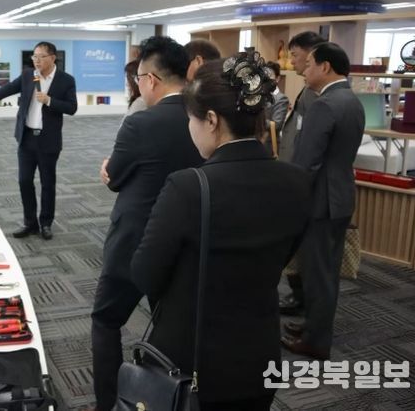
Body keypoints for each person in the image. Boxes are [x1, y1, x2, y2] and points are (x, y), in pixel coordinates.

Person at [131, 55, 312, 410]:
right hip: (259, 351)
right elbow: (285, 254)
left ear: (212, 120)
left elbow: (144, 274)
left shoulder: (188, 186)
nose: (190, 128)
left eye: (192, 119)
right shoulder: (299, 181)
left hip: (192, 355)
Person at [93, 36, 203, 411]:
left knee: (106, 320)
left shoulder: (140, 122)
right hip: (184, 243)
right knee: (170, 326)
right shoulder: (205, 118)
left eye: (139, 78)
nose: (138, 84)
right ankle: (169, 401)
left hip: (134, 240)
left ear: (151, 79)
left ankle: (109, 404)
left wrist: (107, 169)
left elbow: (115, 178)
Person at [281, 42, 365, 360]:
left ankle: (316, 341)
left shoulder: (324, 104)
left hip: (320, 201)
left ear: (325, 67)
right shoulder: (352, 100)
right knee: (325, 270)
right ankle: (314, 327)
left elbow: (307, 162)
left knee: (318, 274)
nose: (304, 70)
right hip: (340, 195)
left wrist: (291, 199)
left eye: (309, 65)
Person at [0, 42, 77, 240]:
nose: (37, 60)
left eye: (41, 57)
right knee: (24, 181)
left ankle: (45, 223)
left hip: (48, 140)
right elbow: (9, 88)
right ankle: (30, 223)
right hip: (27, 138)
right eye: (34, 56)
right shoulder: (29, 75)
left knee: (48, 184)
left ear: (53, 58)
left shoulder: (66, 80)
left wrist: (49, 100)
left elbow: (72, 107)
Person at [278, 30, 326, 315]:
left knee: (305, 249)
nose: (293, 62)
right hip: (295, 176)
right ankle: (299, 298)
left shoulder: (317, 95)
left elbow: (309, 144)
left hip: (304, 183)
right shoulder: (309, 90)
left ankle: (303, 302)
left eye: (295, 56)